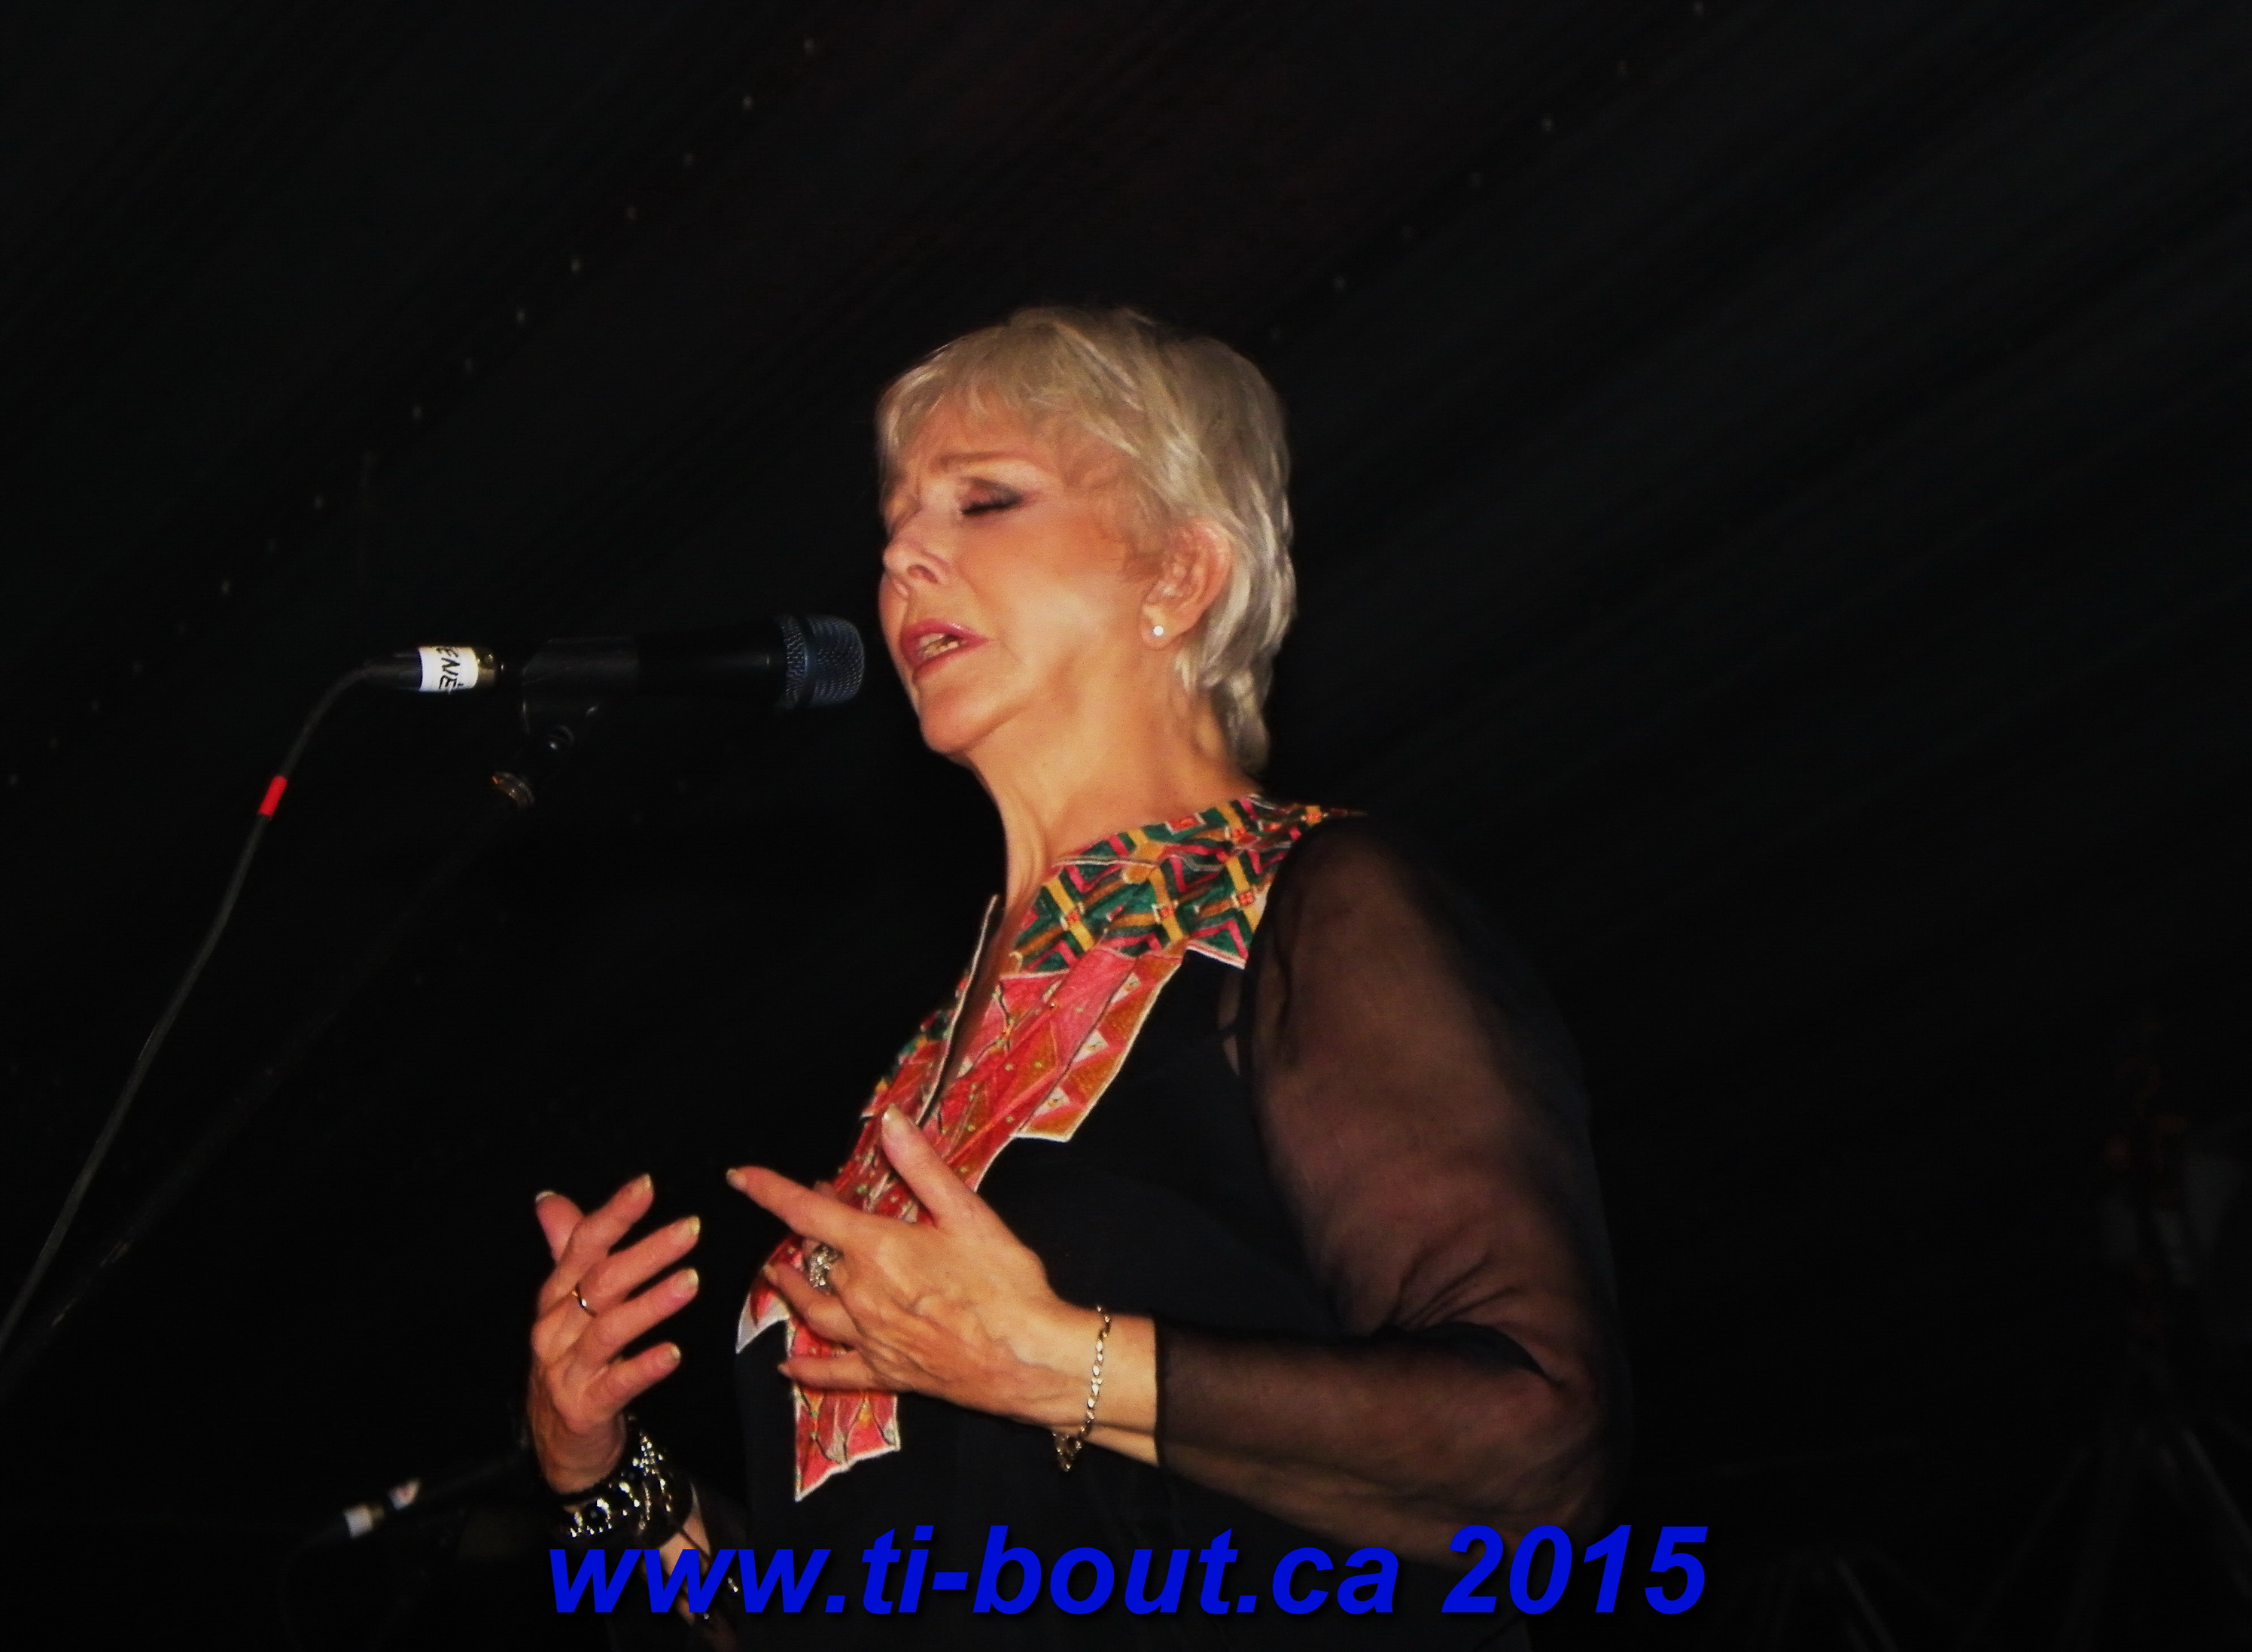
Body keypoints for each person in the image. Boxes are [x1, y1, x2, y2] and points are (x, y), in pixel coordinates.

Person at [525, 306, 1626, 1647]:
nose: (902, 555)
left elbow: (1535, 1444)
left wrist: (1062, 1363)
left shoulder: (1313, 907)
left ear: (1179, 573)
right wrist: (604, 1475)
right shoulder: (926, 1063)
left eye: (983, 499)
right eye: (895, 522)